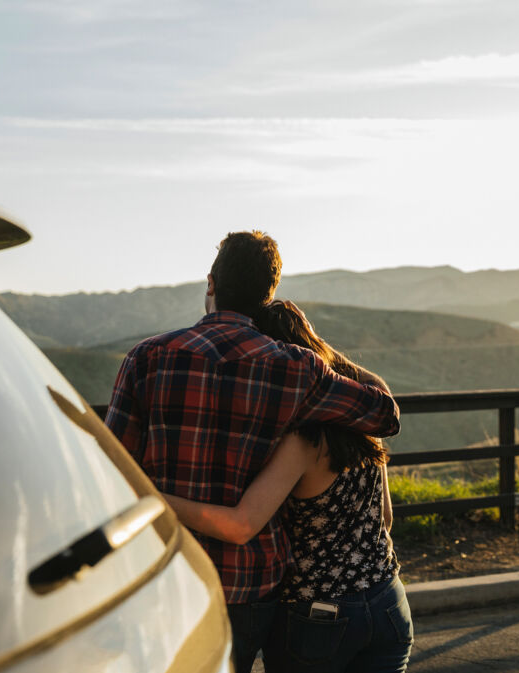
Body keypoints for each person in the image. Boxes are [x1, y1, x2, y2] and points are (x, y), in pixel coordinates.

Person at [104, 231, 400, 673]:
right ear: (269, 294)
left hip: (168, 572)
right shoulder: (298, 369)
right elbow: (384, 415)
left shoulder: (146, 358)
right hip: (251, 584)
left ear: (211, 284)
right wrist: (322, 352)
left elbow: (111, 471)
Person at [163, 299, 412, 673]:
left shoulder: (304, 440)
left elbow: (241, 524)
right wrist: (323, 353)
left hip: (319, 615)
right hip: (388, 599)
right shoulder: (364, 424)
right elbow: (386, 519)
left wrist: (155, 498)